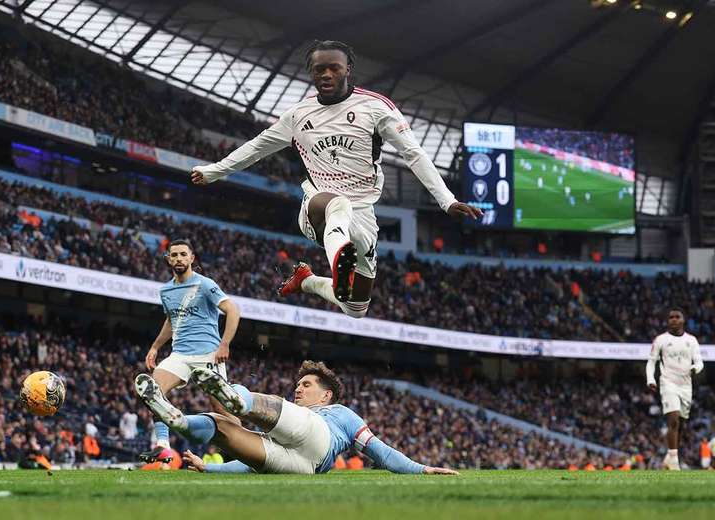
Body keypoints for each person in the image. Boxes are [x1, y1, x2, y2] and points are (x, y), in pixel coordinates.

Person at [191, 40, 482, 318]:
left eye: (334, 67)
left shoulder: (376, 108)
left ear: (348, 69)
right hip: (316, 208)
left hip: (362, 216)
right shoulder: (298, 115)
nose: (327, 74)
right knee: (336, 204)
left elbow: (413, 154)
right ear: (311, 72)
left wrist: (448, 200)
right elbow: (257, 147)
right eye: (319, 69)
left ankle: (308, 280)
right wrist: (213, 170)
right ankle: (338, 264)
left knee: (356, 308)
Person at [136, 359, 457, 476]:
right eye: (298, 385)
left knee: (264, 407)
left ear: (326, 394)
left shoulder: (338, 414)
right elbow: (248, 465)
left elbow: (380, 452)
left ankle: (236, 395)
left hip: (317, 437)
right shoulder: (299, 412)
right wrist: (211, 468)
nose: (299, 389)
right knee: (221, 430)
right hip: (300, 467)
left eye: (306, 385)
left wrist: (421, 468)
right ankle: (180, 422)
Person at [135, 238, 241, 463]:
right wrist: (155, 347)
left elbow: (233, 310)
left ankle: (248, 449)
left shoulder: (205, 284)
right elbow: (172, 321)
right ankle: (162, 446)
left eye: (183, 254)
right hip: (180, 355)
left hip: (208, 354)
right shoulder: (165, 291)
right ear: (168, 259)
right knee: (153, 390)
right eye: (174, 255)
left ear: (191, 258)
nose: (179, 259)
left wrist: (224, 344)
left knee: (221, 407)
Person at [646, 308, 703, 471]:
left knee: (681, 424)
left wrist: (694, 369)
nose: (674, 320)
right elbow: (651, 362)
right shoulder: (661, 340)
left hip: (685, 385)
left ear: (683, 320)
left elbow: (699, 362)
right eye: (671, 317)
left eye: (677, 317)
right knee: (673, 419)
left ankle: (668, 457)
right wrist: (651, 379)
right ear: (667, 321)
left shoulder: (691, 340)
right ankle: (674, 461)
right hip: (668, 383)